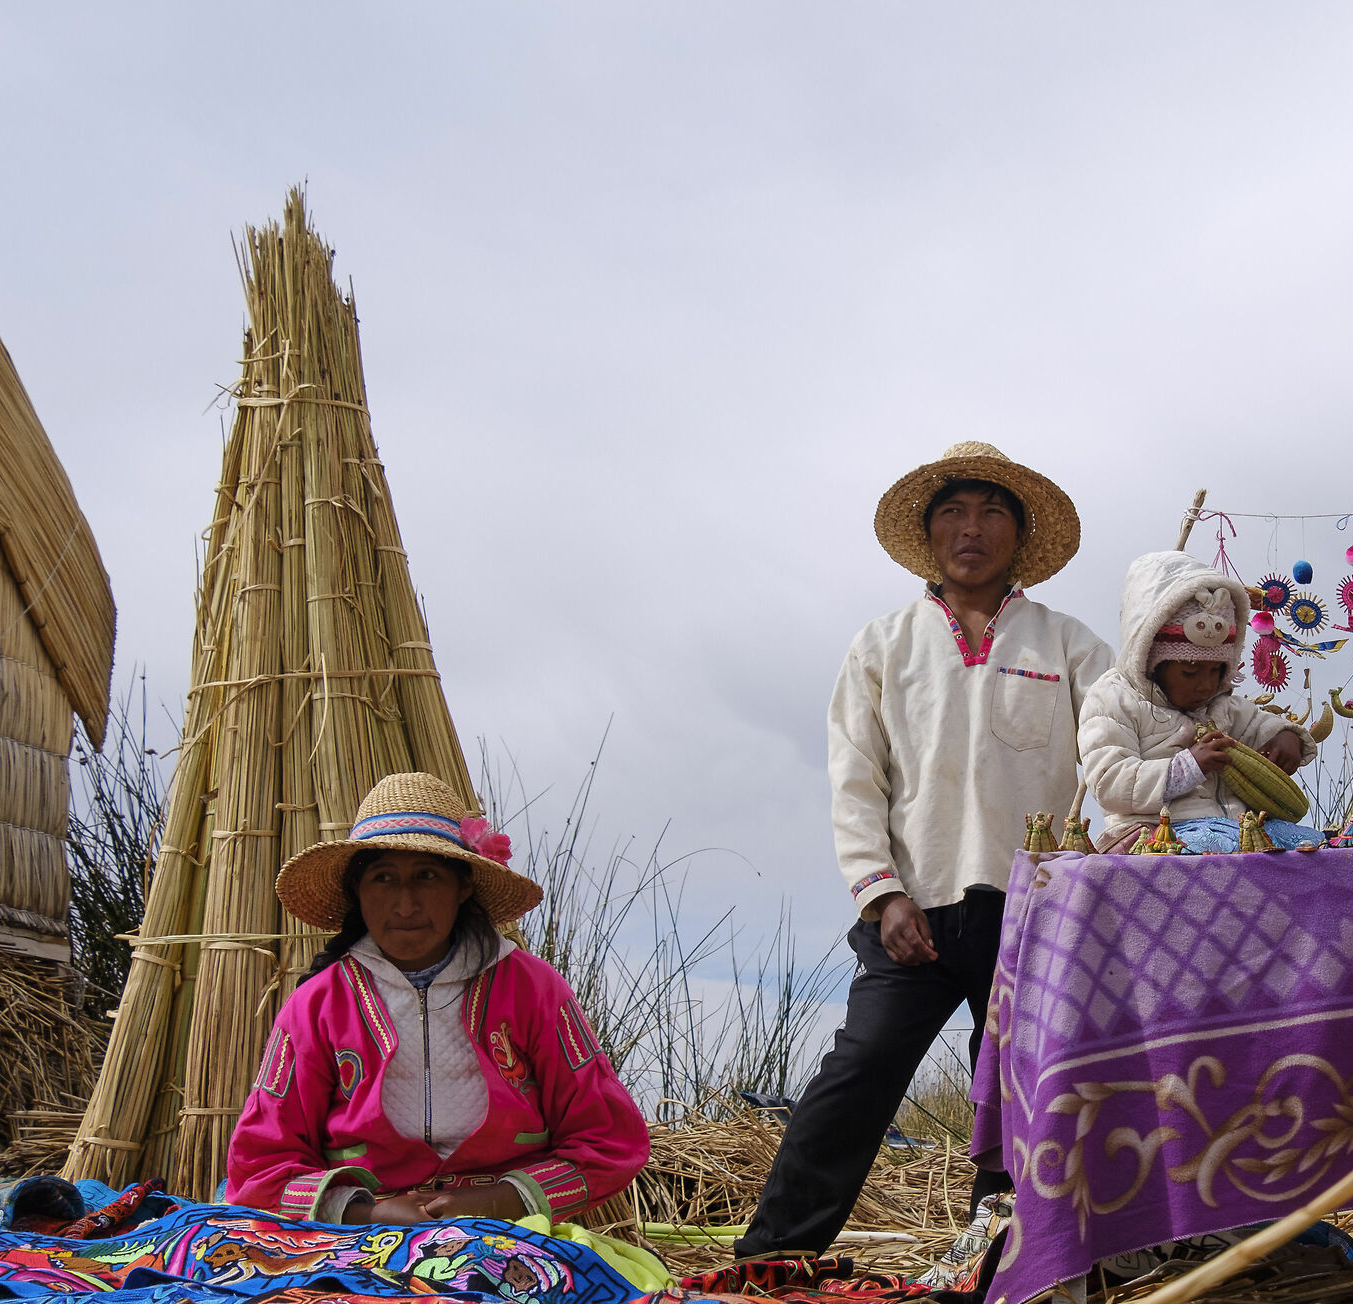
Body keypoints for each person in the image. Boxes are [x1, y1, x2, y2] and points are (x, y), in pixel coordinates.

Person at [735, 442, 1111, 1259]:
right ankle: (773, 1257)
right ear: (931, 535)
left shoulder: (1069, 647)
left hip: (1034, 909)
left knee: (1018, 1091)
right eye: (953, 514)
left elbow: (1115, 764)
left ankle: (1006, 1260)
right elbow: (855, 779)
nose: (970, 530)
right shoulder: (884, 645)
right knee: (859, 1071)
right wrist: (880, 892)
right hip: (914, 909)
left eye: (990, 515)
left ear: (1017, 537)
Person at [227, 771, 650, 1225]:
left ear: (463, 885)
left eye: (427, 876)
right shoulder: (317, 1006)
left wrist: (503, 1200)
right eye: (383, 878)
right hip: (354, 1243)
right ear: (357, 890)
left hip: (514, 1235)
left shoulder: (533, 989)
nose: (405, 904)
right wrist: (367, 1214)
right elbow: (258, 1166)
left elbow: (610, 1138)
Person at [1080, 550, 1310, 852]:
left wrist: (1286, 738)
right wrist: (1187, 767)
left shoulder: (1221, 705)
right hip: (1150, 832)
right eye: (1189, 672)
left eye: (1217, 670)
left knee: (1307, 843)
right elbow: (1109, 783)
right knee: (1218, 846)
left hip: (1231, 827)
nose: (1205, 684)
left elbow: (1259, 723)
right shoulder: (1114, 698)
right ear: (1150, 659)